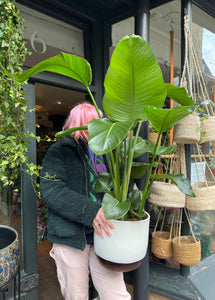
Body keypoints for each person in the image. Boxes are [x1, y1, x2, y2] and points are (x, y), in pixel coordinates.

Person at [40, 103, 131, 300]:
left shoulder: (106, 150)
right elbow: (51, 190)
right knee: (77, 296)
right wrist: (90, 211)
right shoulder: (60, 150)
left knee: (117, 295)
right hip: (71, 238)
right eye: (91, 123)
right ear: (77, 124)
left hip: (104, 234)